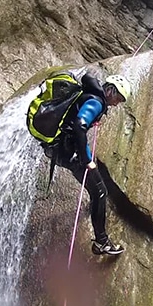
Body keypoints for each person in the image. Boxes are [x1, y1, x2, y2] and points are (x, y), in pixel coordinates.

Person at [41, 72, 131, 255]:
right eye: (118, 98)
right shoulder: (96, 102)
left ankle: (100, 237)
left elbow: (77, 122)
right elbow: (80, 125)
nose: (117, 103)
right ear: (110, 90)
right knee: (99, 192)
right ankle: (101, 243)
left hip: (59, 149)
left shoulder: (89, 96)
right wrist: (87, 160)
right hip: (68, 152)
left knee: (97, 190)